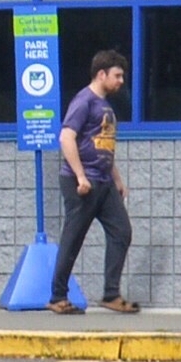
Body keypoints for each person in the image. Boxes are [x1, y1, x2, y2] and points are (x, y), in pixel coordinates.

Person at [50, 49, 138, 316]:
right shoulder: (84, 101)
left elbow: (103, 146)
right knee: (73, 238)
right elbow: (66, 137)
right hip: (83, 184)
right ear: (102, 74)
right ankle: (58, 296)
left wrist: (117, 179)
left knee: (122, 232)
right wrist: (80, 176)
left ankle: (111, 294)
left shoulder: (106, 106)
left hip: (105, 183)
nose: (121, 81)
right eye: (117, 76)